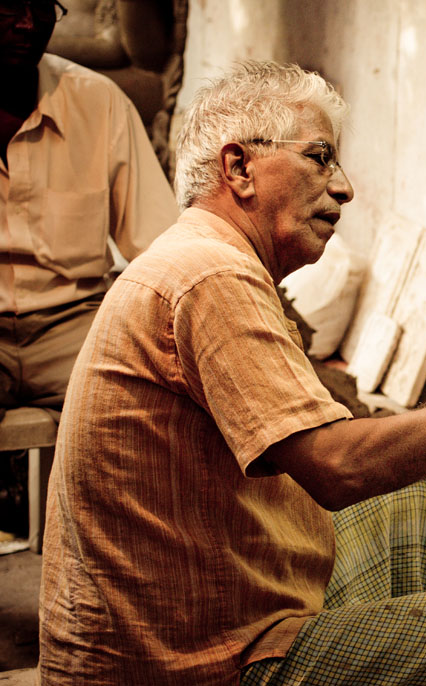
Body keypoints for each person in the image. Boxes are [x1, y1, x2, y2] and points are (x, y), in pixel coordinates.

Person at [38, 60, 426, 685]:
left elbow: (345, 455)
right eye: (320, 157)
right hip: (185, 664)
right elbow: (340, 467)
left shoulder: (207, 260)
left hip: (202, 611)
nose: (345, 188)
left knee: (403, 496)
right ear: (238, 169)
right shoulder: (210, 276)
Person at [0, 0, 178, 533]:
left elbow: (162, 248)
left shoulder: (97, 102)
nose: (28, 24)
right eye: (9, 6)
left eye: (40, 6)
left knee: (157, 412)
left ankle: (112, 582)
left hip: (73, 322)